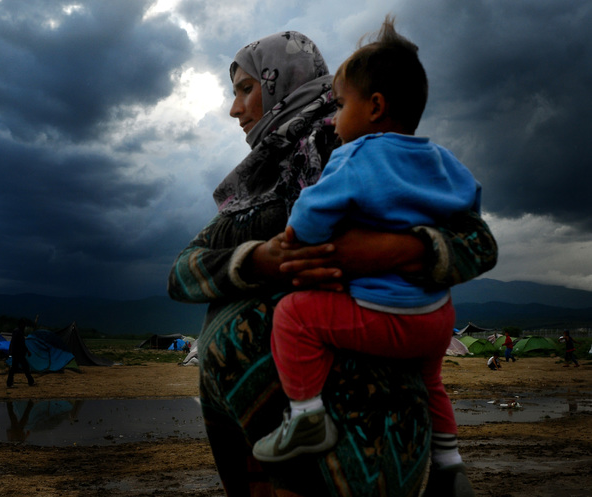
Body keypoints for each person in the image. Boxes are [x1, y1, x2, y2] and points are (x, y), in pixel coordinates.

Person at [168, 28, 497, 497]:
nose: (234, 108)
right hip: (257, 429)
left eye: (246, 89)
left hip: (363, 431)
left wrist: (395, 250)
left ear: (286, 83)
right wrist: (259, 260)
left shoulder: (363, 149)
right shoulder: (255, 187)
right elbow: (182, 271)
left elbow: (478, 241)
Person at [252, 19, 480, 495]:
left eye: (339, 105)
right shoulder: (441, 159)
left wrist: (296, 236)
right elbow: (470, 205)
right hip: (436, 317)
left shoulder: (354, 157)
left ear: (374, 107)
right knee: (431, 382)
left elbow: (313, 211)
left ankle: (307, 417)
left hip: (382, 315)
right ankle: (450, 461)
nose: (333, 119)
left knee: (293, 316)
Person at [6, 318, 35, 387]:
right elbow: (15, 343)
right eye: (23, 324)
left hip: (20, 353)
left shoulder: (20, 332)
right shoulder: (17, 332)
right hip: (17, 354)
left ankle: (30, 381)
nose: (24, 326)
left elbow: (22, 344)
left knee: (24, 367)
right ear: (20, 324)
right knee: (17, 368)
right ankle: (9, 383)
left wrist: (27, 351)